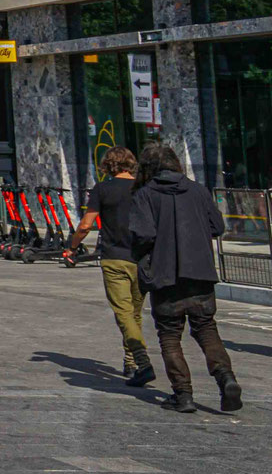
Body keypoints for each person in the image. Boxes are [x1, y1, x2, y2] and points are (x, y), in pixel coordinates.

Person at [128, 142, 241, 413]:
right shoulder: (198, 190)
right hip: (199, 272)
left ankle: (183, 394)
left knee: (169, 335)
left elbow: (142, 235)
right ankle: (226, 378)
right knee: (206, 328)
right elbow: (217, 226)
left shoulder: (145, 195)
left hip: (165, 275)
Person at [63, 146, 155, 386]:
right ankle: (130, 360)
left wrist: (72, 247)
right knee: (134, 313)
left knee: (123, 313)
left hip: (115, 258)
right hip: (142, 258)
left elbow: (86, 225)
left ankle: (142, 360)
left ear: (108, 166)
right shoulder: (145, 189)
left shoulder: (102, 189)